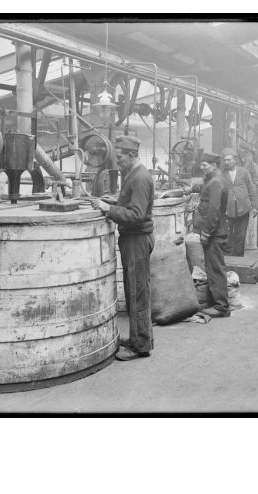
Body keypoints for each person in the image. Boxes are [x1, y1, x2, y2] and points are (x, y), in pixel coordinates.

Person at [92, 135, 155, 362]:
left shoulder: (139, 178)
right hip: (134, 239)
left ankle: (140, 346)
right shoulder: (134, 173)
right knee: (135, 290)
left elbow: (136, 215)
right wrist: (113, 203)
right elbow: (130, 206)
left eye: (120, 157)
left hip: (137, 239)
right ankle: (142, 337)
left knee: (137, 291)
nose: (117, 162)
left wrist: (107, 209)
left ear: (131, 155)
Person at [186, 152, 230, 318]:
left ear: (214, 165)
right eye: (201, 164)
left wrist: (206, 232)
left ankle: (222, 307)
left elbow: (214, 211)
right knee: (211, 268)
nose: (202, 167)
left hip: (214, 233)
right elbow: (204, 188)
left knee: (216, 268)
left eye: (205, 165)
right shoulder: (213, 180)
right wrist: (190, 188)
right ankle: (214, 302)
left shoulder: (216, 182)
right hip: (213, 232)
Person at [221, 148, 258, 256]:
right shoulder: (221, 174)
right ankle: (229, 263)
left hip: (243, 209)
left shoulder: (243, 172)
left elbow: (251, 189)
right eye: (225, 160)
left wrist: (255, 206)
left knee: (240, 237)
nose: (227, 162)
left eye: (229, 160)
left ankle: (239, 261)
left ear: (235, 159)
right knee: (227, 237)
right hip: (228, 211)